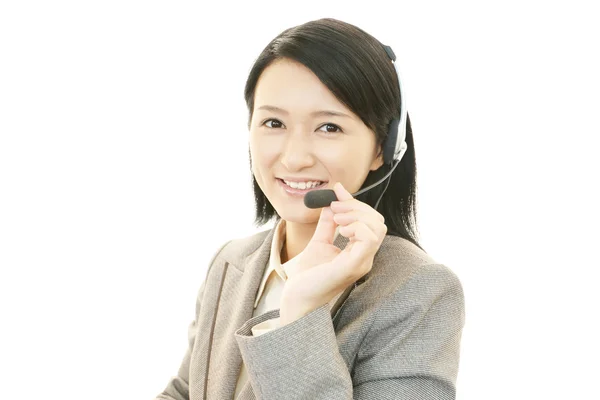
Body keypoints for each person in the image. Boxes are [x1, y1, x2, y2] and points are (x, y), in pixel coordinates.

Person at [155, 17, 465, 400]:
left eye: (329, 127)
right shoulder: (231, 261)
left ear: (382, 148)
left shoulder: (417, 290)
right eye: (273, 122)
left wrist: (300, 311)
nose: (295, 158)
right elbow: (185, 392)